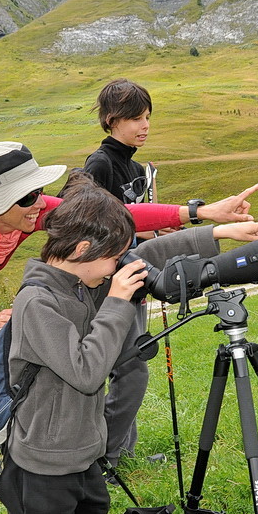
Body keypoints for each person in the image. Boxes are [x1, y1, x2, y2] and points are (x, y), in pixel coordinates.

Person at [0, 140, 258, 514]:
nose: (40, 202)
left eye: (37, 191)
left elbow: (114, 218)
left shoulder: (25, 212)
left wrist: (203, 212)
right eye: (28, 196)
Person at [78, 78, 169, 468]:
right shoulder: (101, 164)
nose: (144, 125)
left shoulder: (134, 165)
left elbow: (130, 220)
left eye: (147, 117)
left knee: (129, 365)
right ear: (111, 120)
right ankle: (106, 460)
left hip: (133, 277)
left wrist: (154, 230)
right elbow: (94, 223)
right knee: (131, 371)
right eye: (135, 118)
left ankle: (122, 455)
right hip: (108, 283)